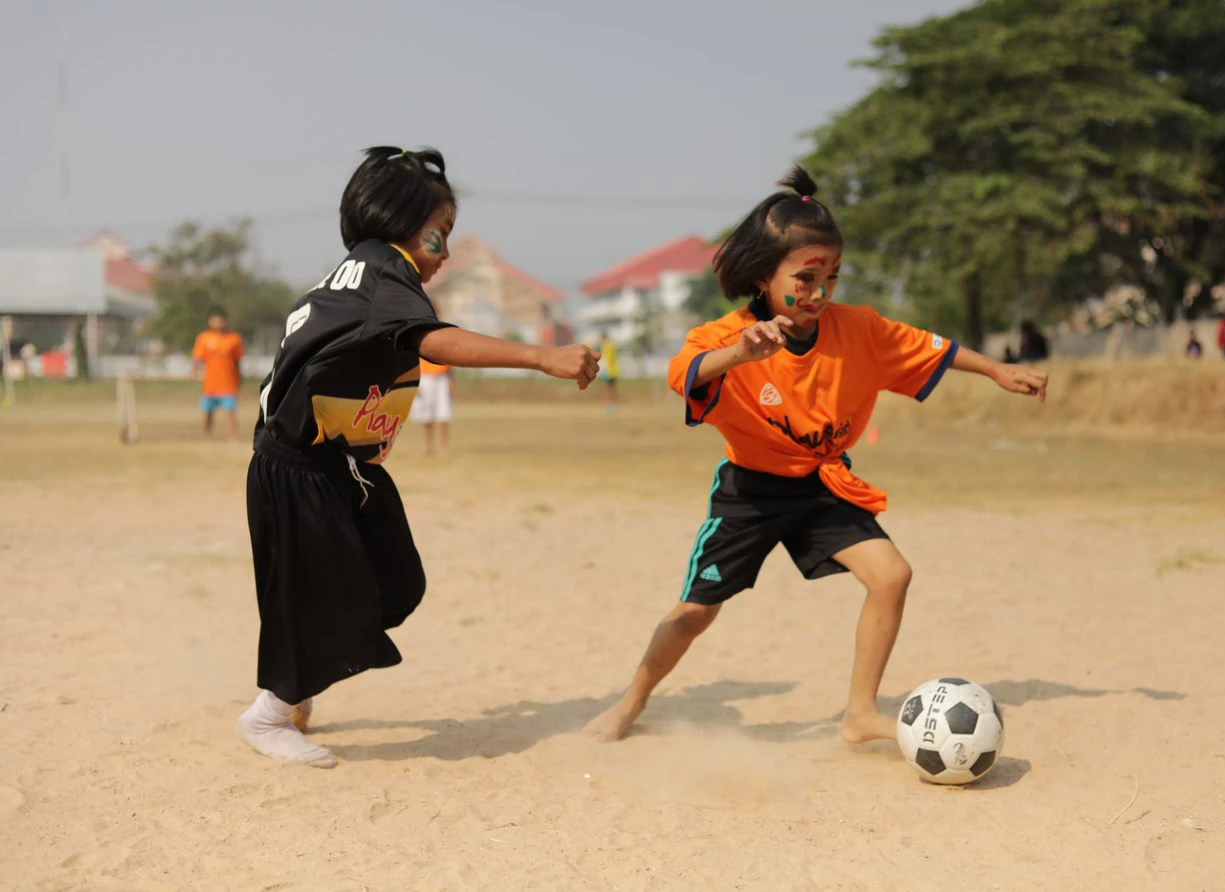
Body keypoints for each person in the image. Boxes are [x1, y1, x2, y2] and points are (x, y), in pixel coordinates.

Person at [584, 166, 1048, 744]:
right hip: (751, 493)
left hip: (823, 485)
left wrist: (997, 369)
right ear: (762, 275)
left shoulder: (858, 330)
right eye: (806, 277)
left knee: (892, 576)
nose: (820, 292)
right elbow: (685, 375)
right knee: (695, 613)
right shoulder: (725, 336)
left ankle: (858, 714)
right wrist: (739, 356)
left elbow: (934, 347)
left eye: (831, 275)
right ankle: (629, 704)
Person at [239, 146, 600, 768]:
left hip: (338, 466)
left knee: (395, 583)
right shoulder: (383, 271)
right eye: (442, 233)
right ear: (401, 220)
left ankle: (296, 687)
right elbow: (436, 341)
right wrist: (543, 357)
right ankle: (270, 714)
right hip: (299, 469)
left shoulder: (359, 275)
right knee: (330, 594)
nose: (446, 251)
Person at [192, 310, 245, 439]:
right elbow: (197, 357)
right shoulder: (204, 337)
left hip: (228, 382)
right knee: (207, 412)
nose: (218, 324)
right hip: (211, 383)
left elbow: (238, 360)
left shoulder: (234, 338)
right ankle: (205, 435)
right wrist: (194, 372)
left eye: (220, 321)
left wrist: (239, 375)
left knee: (230, 411)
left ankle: (233, 436)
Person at [411, 357, 453, 455]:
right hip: (425, 376)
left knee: (444, 413)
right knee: (426, 415)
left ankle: (443, 447)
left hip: (443, 377)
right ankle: (427, 447)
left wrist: (451, 379)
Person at [600, 331, 620, 413]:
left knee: (609, 389)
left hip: (609, 371)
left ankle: (611, 406)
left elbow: (607, 359)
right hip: (614, 370)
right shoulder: (612, 345)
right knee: (612, 389)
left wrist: (603, 369)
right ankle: (612, 405)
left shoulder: (608, 346)